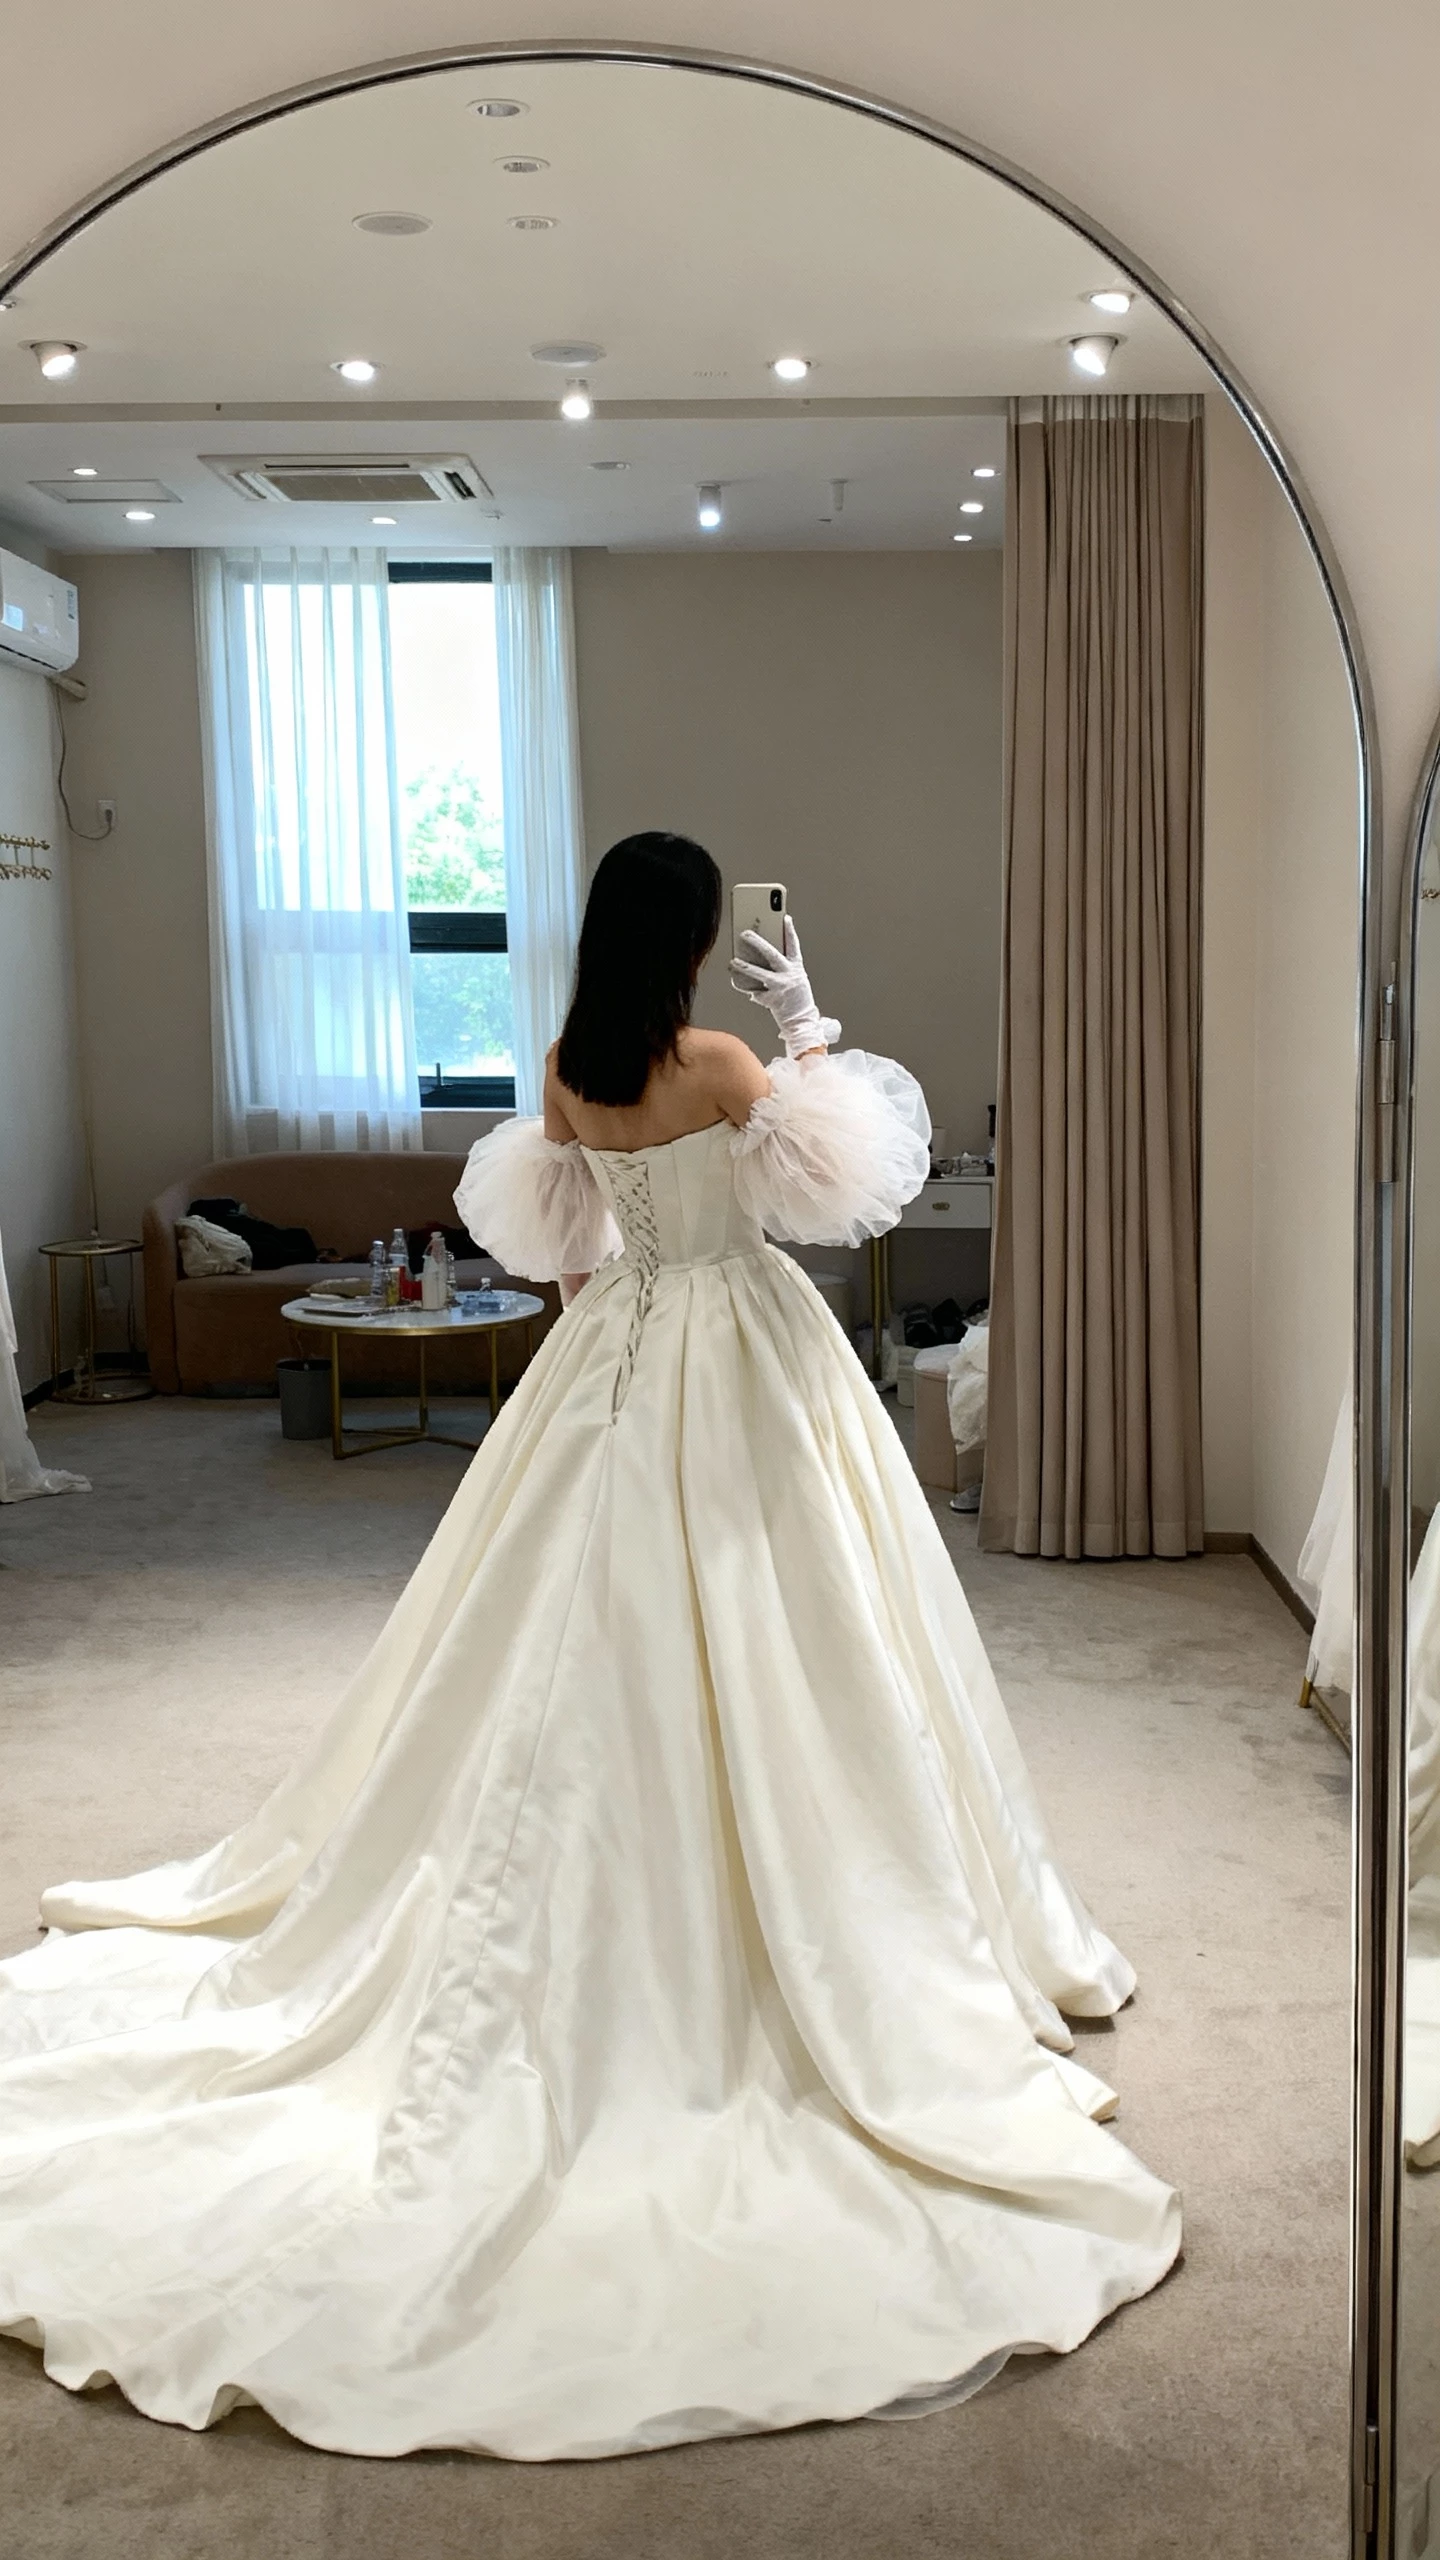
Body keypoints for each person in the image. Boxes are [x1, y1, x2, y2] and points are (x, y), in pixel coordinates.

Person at [0, 831, 1179, 2460]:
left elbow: (567, 1260)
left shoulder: (565, 1064)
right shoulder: (715, 1056)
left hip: (618, 1355)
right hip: (743, 1343)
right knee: (806, 1623)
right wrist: (816, 1030)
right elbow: (841, 1201)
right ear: (700, 935)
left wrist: (640, 1266)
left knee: (551, 1621)